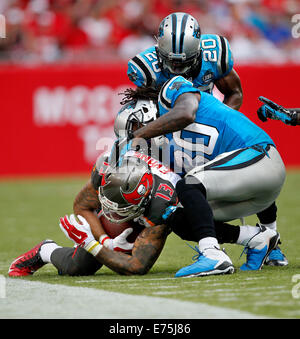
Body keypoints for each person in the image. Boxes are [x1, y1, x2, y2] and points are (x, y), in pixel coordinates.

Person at [119, 75, 287, 276]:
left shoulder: (172, 91)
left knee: (189, 184)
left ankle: (212, 255)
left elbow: (186, 114)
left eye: (136, 128)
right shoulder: (172, 151)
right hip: (255, 188)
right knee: (178, 216)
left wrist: (138, 136)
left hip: (261, 156)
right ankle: (257, 239)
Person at [127, 12, 243, 111]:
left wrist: (218, 121)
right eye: (171, 62)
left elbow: (234, 93)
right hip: (165, 124)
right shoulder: (146, 68)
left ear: (199, 51)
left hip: (205, 117)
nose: (177, 69)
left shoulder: (214, 54)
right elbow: (143, 110)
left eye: (184, 63)